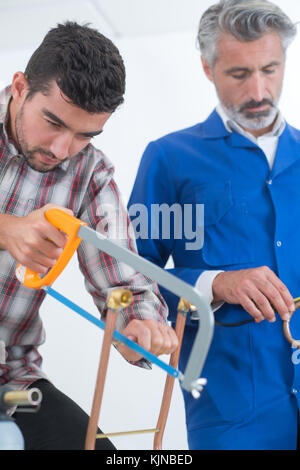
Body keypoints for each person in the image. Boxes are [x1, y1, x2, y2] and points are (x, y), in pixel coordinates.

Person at [128, 0, 300, 450]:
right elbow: (129, 274)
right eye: (239, 74)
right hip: (230, 411)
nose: (259, 90)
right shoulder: (171, 159)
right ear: (207, 67)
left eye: (270, 69)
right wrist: (214, 282)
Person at [0, 21, 178, 450]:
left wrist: (141, 328)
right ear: (20, 86)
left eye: (84, 135)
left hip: (13, 385)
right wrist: (7, 229)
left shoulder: (91, 172)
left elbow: (124, 278)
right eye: (53, 123)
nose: (62, 149)